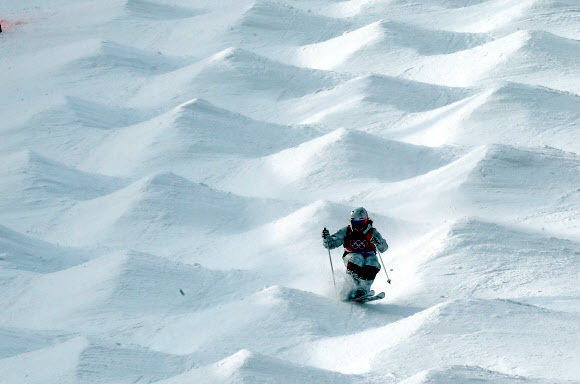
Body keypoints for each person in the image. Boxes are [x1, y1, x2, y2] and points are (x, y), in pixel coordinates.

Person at [322, 207, 388, 299]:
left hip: (369, 255)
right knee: (358, 258)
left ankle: (363, 290)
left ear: (366, 221)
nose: (357, 226)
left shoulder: (372, 232)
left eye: (360, 223)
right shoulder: (346, 231)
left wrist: (379, 243)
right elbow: (331, 244)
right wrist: (327, 239)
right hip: (351, 256)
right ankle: (349, 288)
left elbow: (384, 248)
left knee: (373, 262)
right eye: (354, 223)